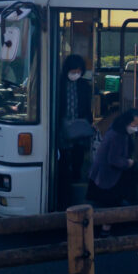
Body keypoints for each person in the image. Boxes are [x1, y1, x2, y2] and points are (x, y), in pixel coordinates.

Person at [87, 108, 138, 237]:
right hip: (108, 176)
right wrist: (128, 163)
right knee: (110, 204)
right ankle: (104, 232)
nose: (135, 128)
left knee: (110, 203)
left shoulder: (116, 129)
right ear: (127, 122)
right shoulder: (118, 135)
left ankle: (104, 229)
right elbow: (113, 159)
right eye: (134, 125)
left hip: (106, 175)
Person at [57, 54, 94, 207]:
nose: (76, 73)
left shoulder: (84, 85)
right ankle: (66, 178)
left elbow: (87, 106)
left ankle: (77, 175)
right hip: (63, 124)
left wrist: (89, 121)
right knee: (64, 154)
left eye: (78, 71)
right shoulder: (58, 84)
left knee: (79, 150)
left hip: (79, 124)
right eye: (73, 70)